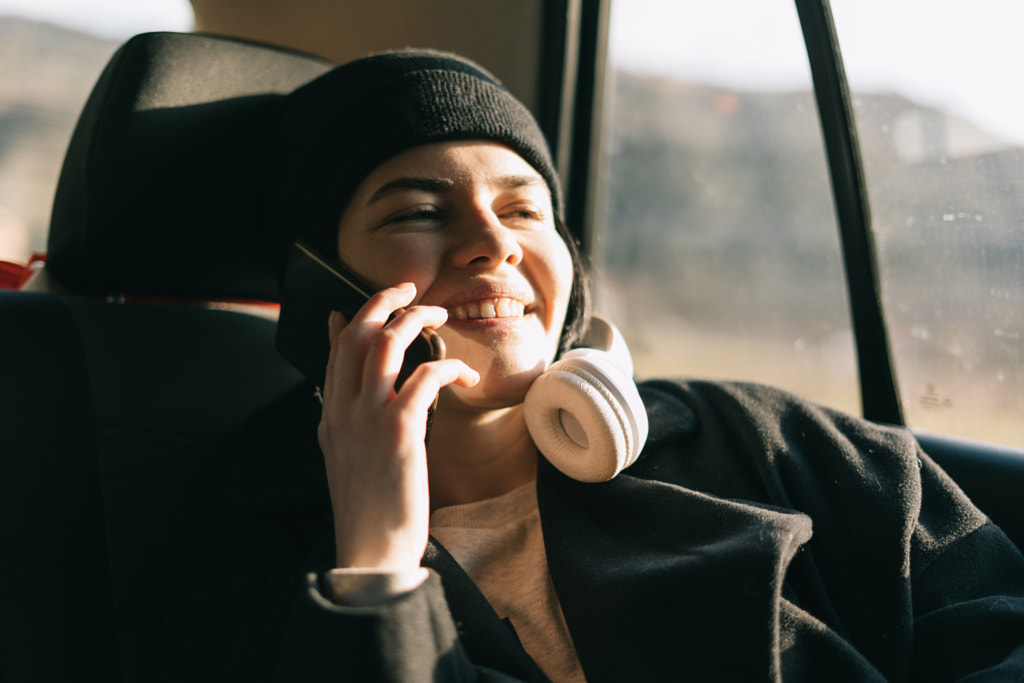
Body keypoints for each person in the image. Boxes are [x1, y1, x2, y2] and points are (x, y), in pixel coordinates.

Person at [160, 49, 1024, 682]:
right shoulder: (253, 540)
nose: (493, 243)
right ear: (323, 291)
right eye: (419, 211)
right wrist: (378, 566)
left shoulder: (766, 438)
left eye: (523, 209)